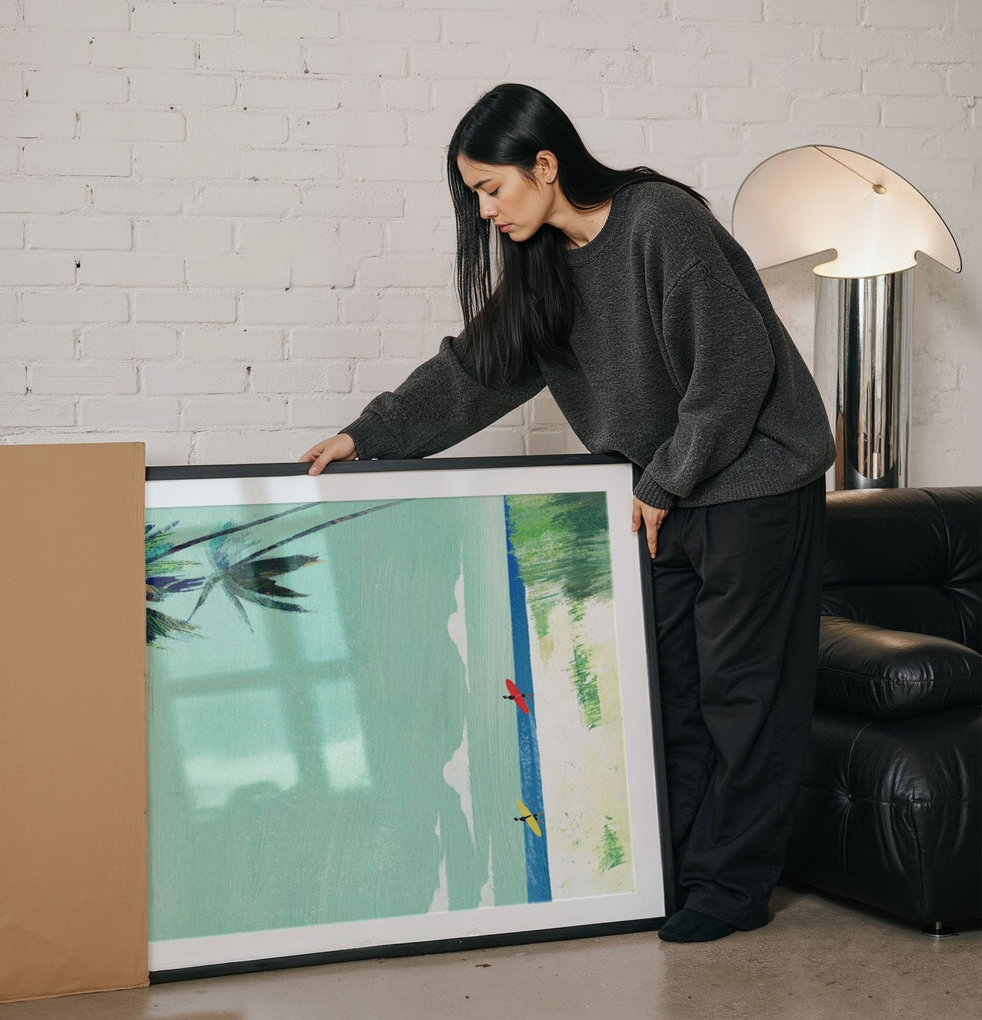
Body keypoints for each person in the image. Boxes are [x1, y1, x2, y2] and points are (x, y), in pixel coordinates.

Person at [300, 83, 836, 943]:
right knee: (671, 694)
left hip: (753, 479)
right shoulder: (545, 264)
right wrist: (370, 435)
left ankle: (731, 888)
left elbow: (733, 371)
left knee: (745, 694)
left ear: (545, 165)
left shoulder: (659, 222)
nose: (484, 212)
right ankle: (679, 872)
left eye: (492, 189)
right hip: (664, 492)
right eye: (473, 195)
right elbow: (477, 369)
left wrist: (664, 481)